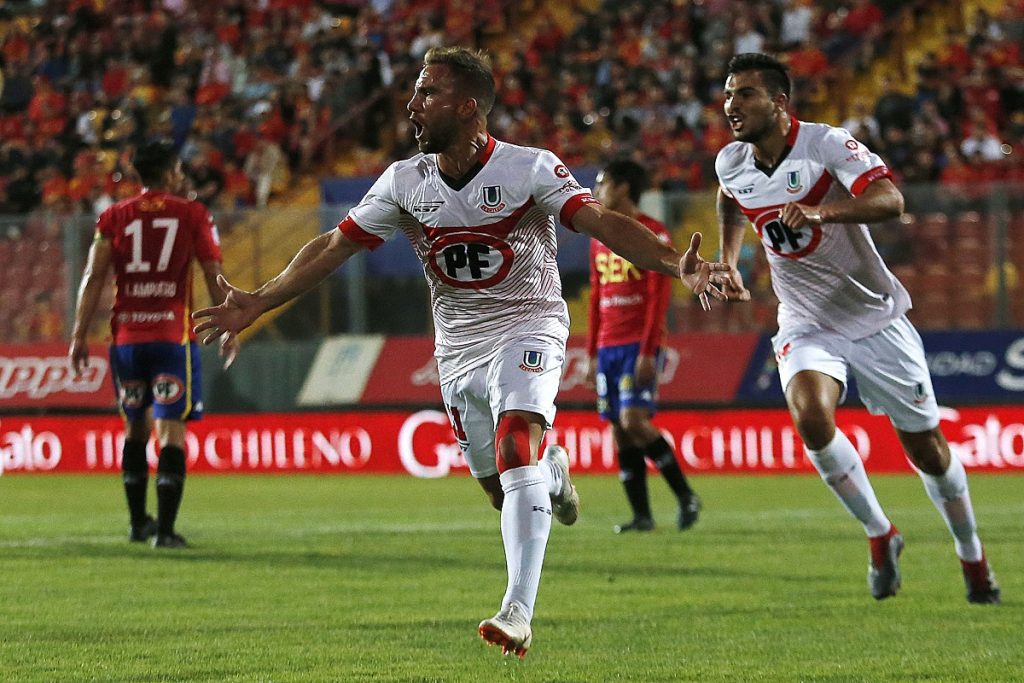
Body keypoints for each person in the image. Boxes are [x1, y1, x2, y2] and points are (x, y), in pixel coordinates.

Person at [191, 47, 727, 657]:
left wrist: (672, 264)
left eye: (428, 93)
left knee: (515, 439)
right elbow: (331, 247)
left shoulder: (530, 169)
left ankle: (517, 612)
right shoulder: (404, 182)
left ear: (468, 106)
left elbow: (603, 222)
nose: (413, 105)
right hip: (458, 347)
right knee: (504, 489)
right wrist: (258, 300)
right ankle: (551, 472)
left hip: (530, 324)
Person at [713, 53, 1000, 604]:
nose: (732, 105)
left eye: (745, 94)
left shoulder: (824, 145)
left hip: (874, 318)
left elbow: (891, 199)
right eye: (728, 94)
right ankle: (880, 534)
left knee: (929, 452)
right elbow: (729, 200)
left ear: (779, 101)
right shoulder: (731, 162)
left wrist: (826, 213)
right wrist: (728, 258)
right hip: (806, 319)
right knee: (811, 417)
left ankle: (972, 557)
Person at [69, 138, 237, 549]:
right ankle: (164, 531)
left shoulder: (112, 216)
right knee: (170, 429)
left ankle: (136, 523)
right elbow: (212, 269)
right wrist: (229, 323)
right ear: (169, 173)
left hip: (125, 340)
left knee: (135, 427)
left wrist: (78, 334)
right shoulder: (193, 214)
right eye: (179, 170)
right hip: (171, 339)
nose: (181, 176)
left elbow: (93, 278)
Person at [584, 159, 701, 534]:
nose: (597, 190)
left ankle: (685, 495)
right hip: (607, 347)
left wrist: (649, 351)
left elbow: (657, 299)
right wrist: (590, 355)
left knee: (635, 421)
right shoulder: (598, 238)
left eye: (602, 183)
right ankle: (642, 516)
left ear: (622, 188)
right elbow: (597, 297)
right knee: (618, 429)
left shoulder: (654, 235)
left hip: (638, 343)